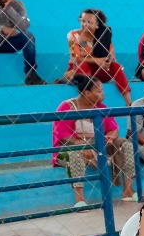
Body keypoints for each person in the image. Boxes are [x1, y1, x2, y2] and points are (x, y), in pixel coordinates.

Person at [52, 74, 133, 206]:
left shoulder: (101, 108)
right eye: (99, 91)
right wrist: (82, 145)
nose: (103, 94)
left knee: (125, 145)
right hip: (70, 149)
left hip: (97, 146)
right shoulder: (67, 107)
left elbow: (114, 129)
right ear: (87, 93)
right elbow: (63, 136)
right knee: (75, 153)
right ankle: (79, 200)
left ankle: (128, 191)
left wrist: (110, 137)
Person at [63, 8, 132, 105]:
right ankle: (86, 102)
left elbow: (112, 56)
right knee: (83, 65)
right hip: (79, 69)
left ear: (97, 24)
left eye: (89, 22)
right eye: (83, 21)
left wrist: (107, 61)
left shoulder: (103, 36)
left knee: (116, 66)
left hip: (100, 70)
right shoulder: (72, 35)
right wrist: (97, 60)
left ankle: (129, 102)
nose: (85, 25)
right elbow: (76, 57)